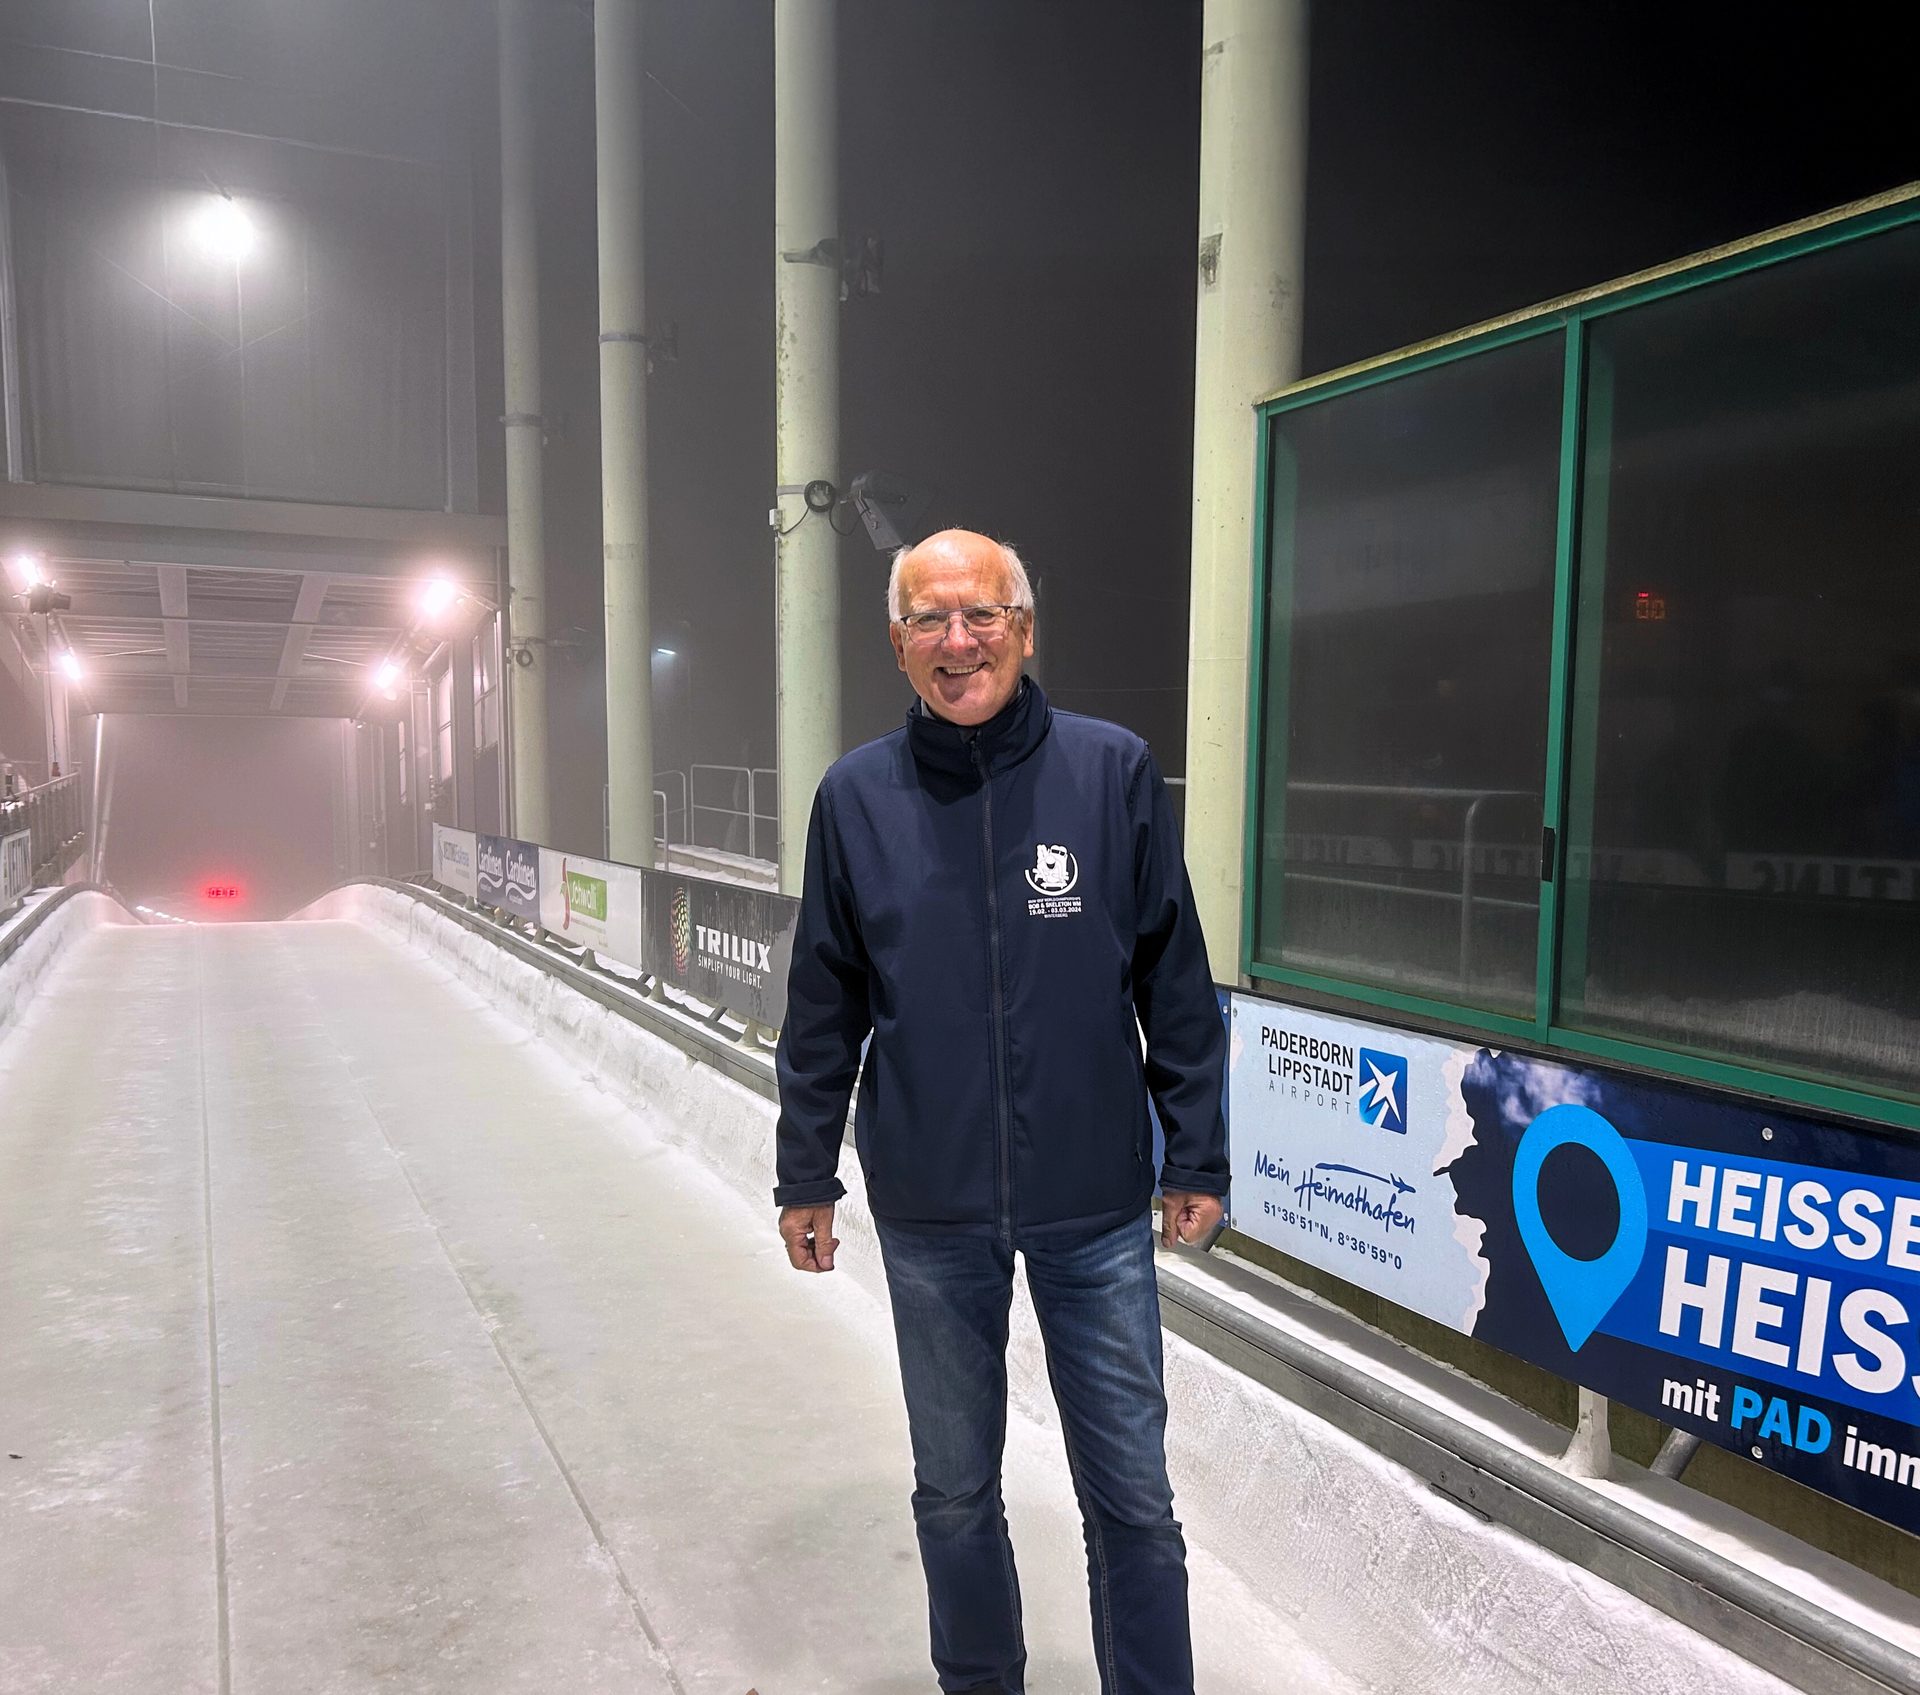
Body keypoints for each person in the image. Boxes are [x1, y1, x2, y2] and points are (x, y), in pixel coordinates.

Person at [773, 528, 1228, 1694]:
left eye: (980, 616)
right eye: (930, 619)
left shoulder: (1110, 769)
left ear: (1024, 631)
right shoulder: (857, 796)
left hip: (1094, 1203)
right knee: (956, 1488)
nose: (956, 641)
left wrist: (1197, 1154)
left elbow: (1171, 979)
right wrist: (806, 1173)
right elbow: (824, 999)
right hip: (932, 1209)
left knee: (1130, 1490)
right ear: (897, 642)